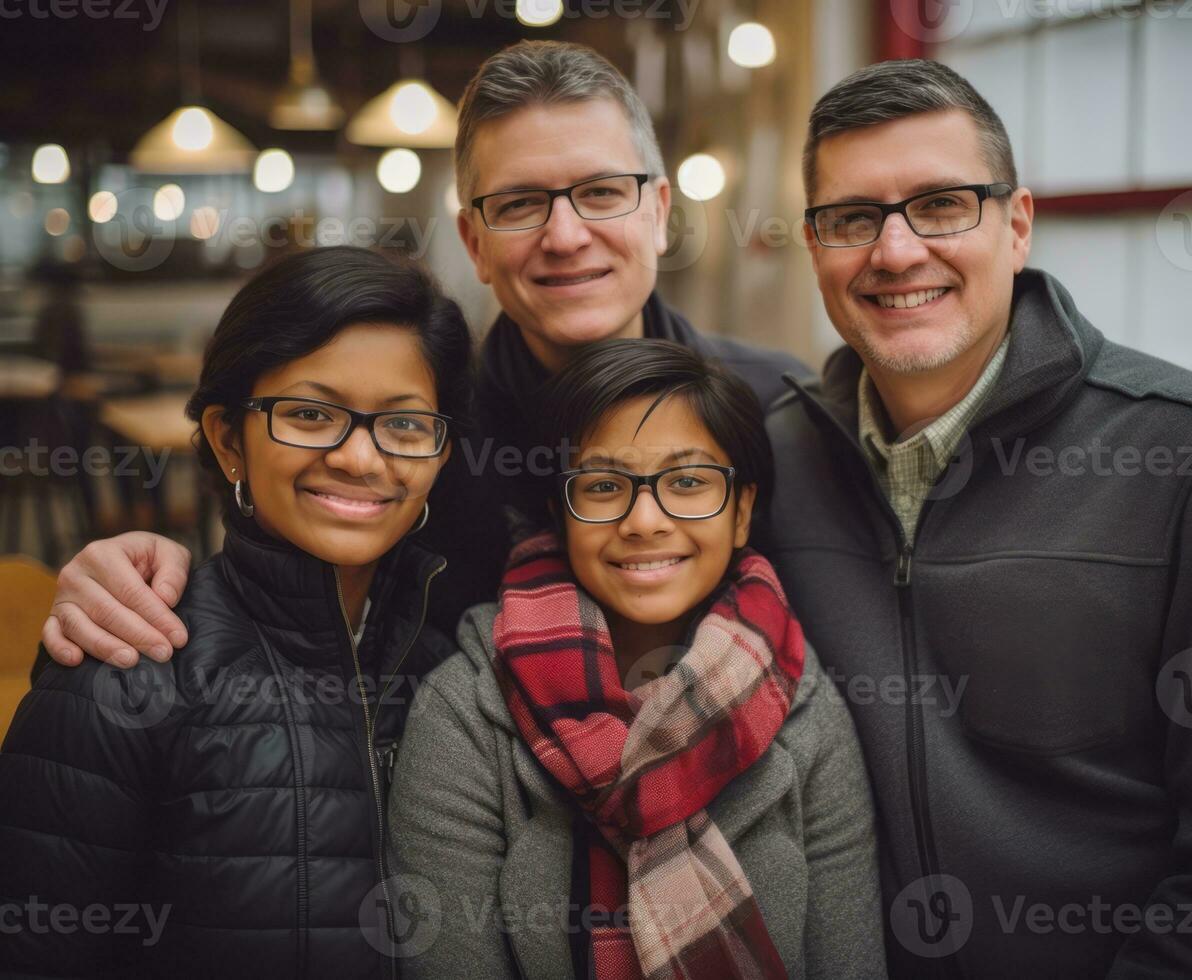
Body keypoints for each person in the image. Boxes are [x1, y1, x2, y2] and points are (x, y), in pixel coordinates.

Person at [761, 59, 1192, 977]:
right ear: (814, 246)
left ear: (1015, 227)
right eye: (852, 218)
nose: (894, 253)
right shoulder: (770, 465)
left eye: (940, 205)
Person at [37, 39, 806, 672]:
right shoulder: (412, 430)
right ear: (473, 243)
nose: (565, 235)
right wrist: (131, 571)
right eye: (519, 204)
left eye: (602, 192)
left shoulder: (780, 411)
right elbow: (279, 588)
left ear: (660, 213)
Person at [0, 247, 473, 977]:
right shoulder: (126, 664)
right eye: (311, 414)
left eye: (405, 425)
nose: (359, 457)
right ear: (228, 441)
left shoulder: (448, 671)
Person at [387, 339, 884, 979]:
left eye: (687, 481)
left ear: (742, 512)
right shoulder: (463, 717)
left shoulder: (806, 713)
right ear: (558, 515)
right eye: (602, 485)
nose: (645, 520)